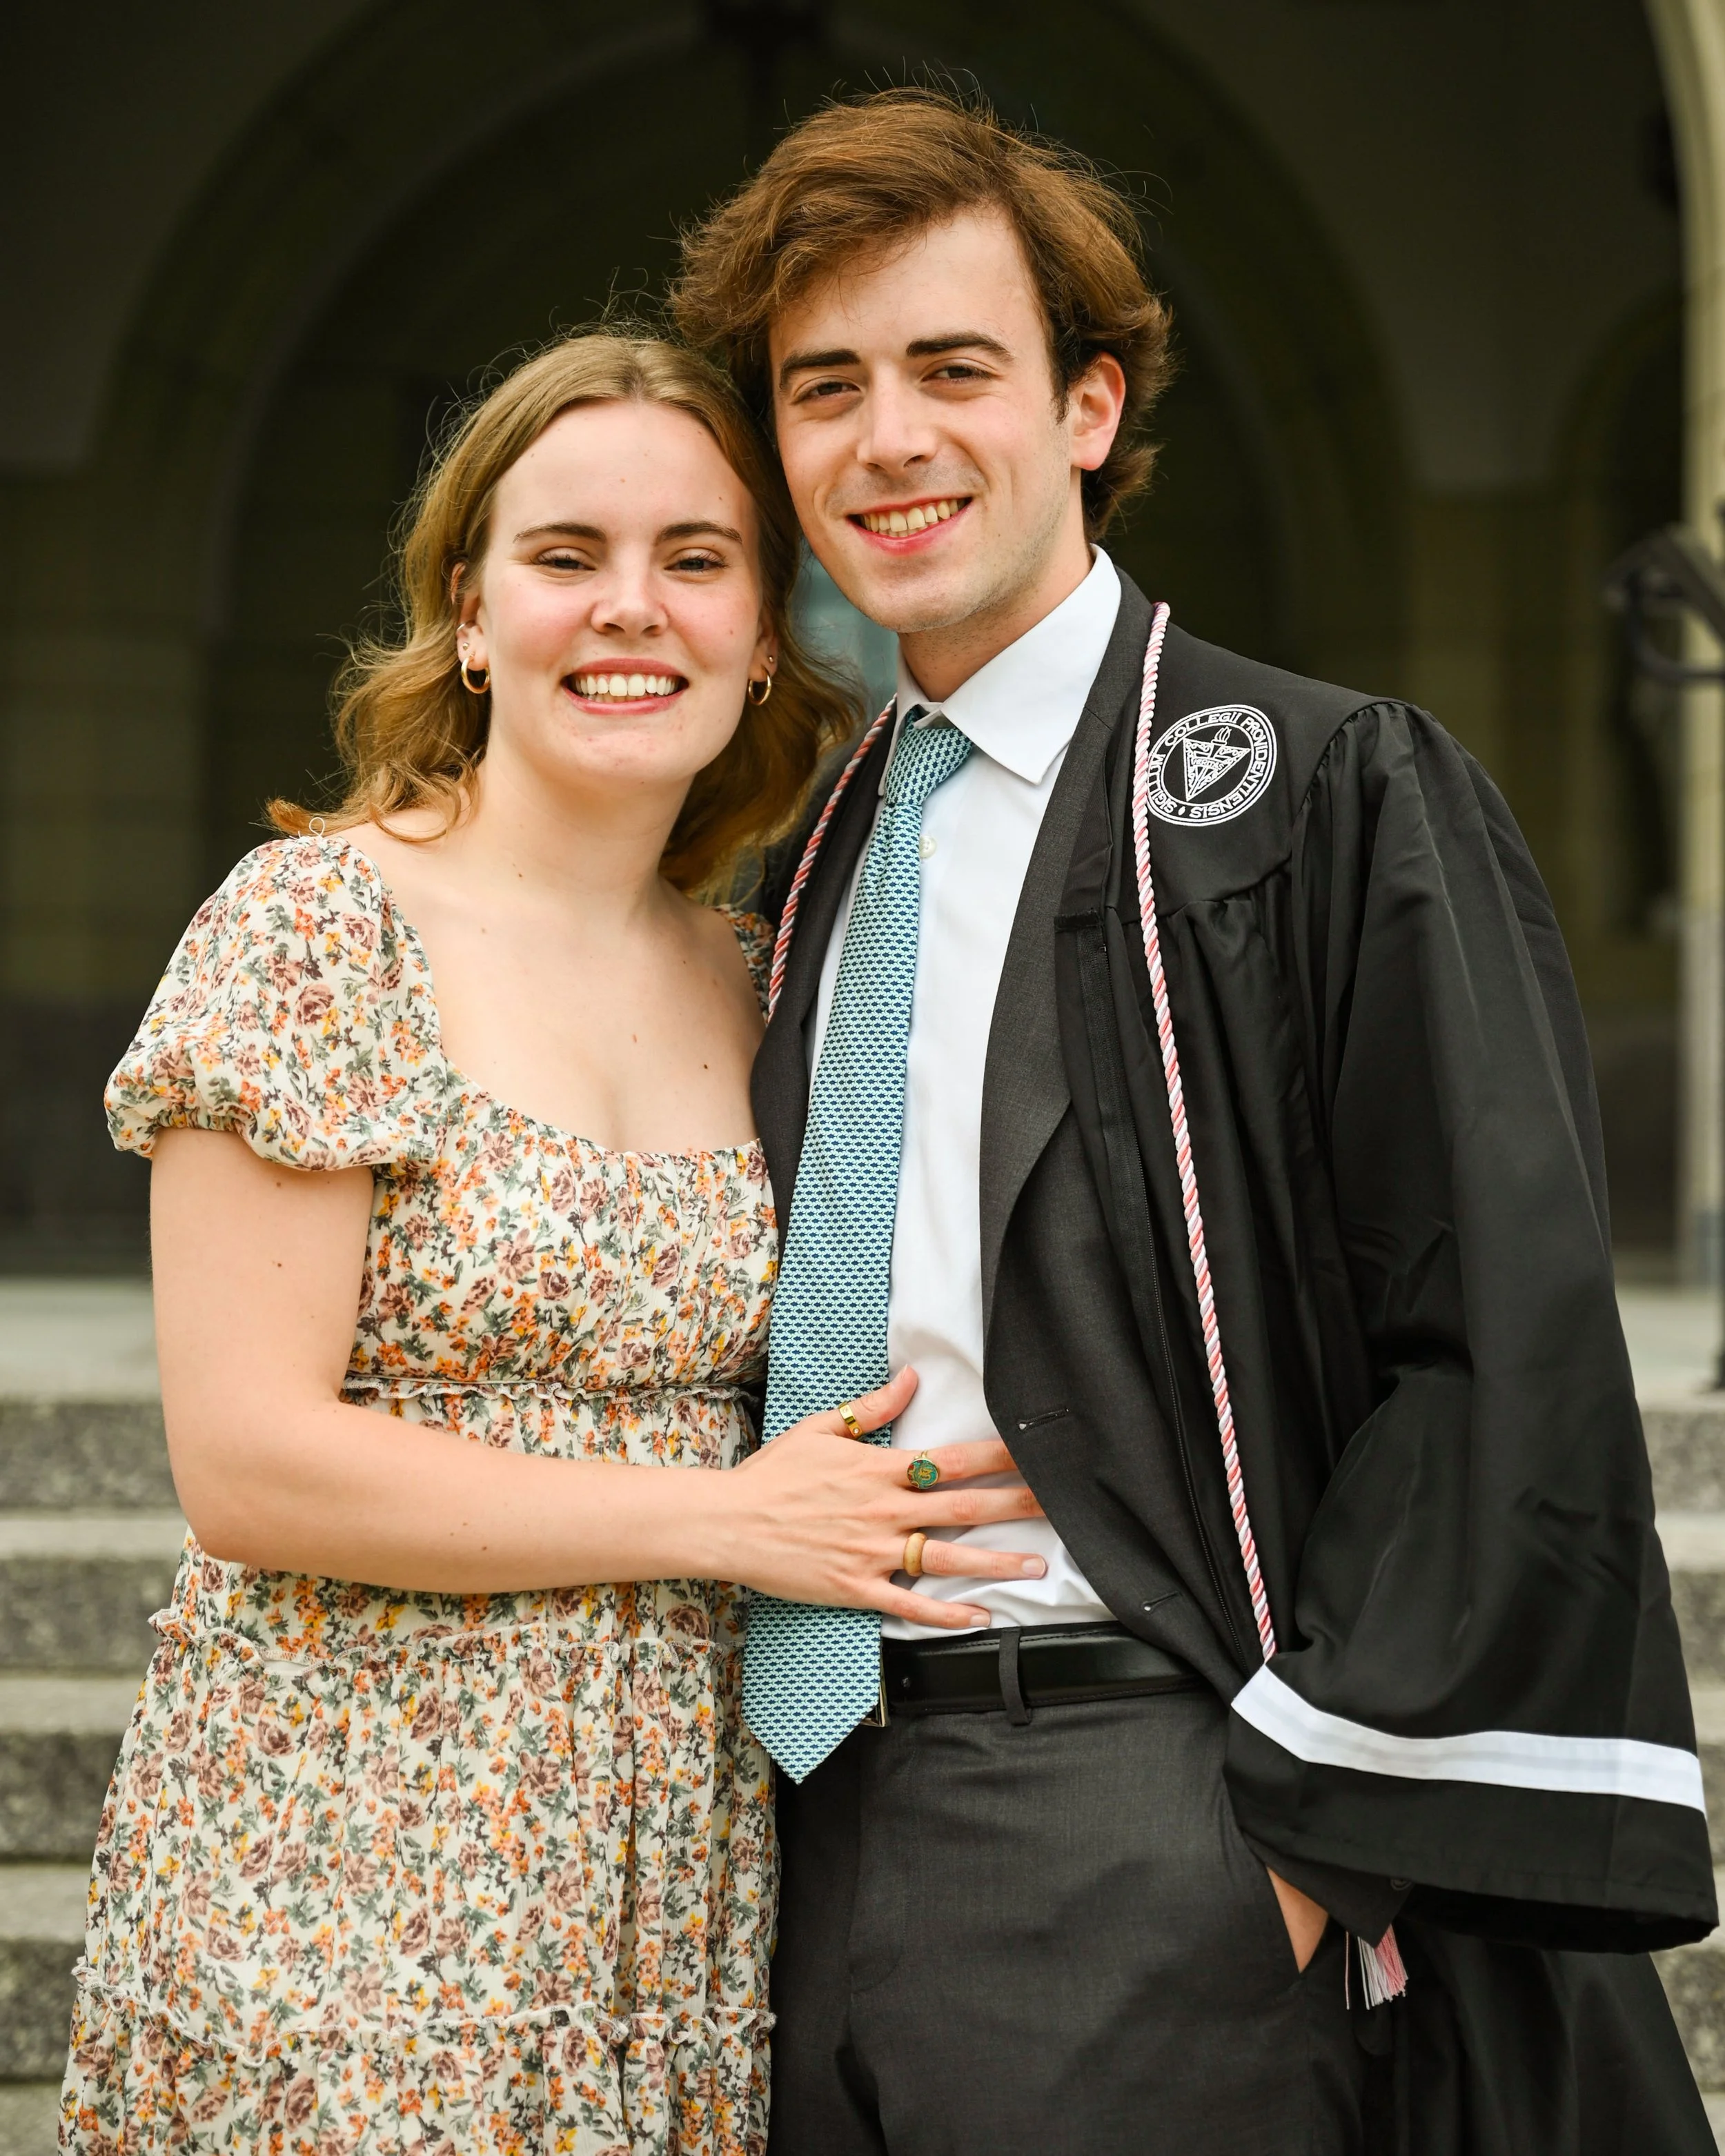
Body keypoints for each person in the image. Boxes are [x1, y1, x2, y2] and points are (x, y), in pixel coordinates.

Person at [673, 88, 1719, 2154]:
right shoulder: (803, 863)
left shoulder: (1321, 798)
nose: (888, 439)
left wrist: (1305, 1836)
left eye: (952, 369)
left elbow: (1491, 1335)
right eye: (824, 388)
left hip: (1145, 1808)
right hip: (796, 1821)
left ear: (1087, 405)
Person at [59, 328, 1045, 2156]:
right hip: (341, 1844)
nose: (630, 610)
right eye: (566, 556)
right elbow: (248, 1458)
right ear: (467, 610)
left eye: (694, 559)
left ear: (768, 634)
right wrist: (715, 1515)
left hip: (666, 1859)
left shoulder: (770, 982)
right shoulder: (316, 926)